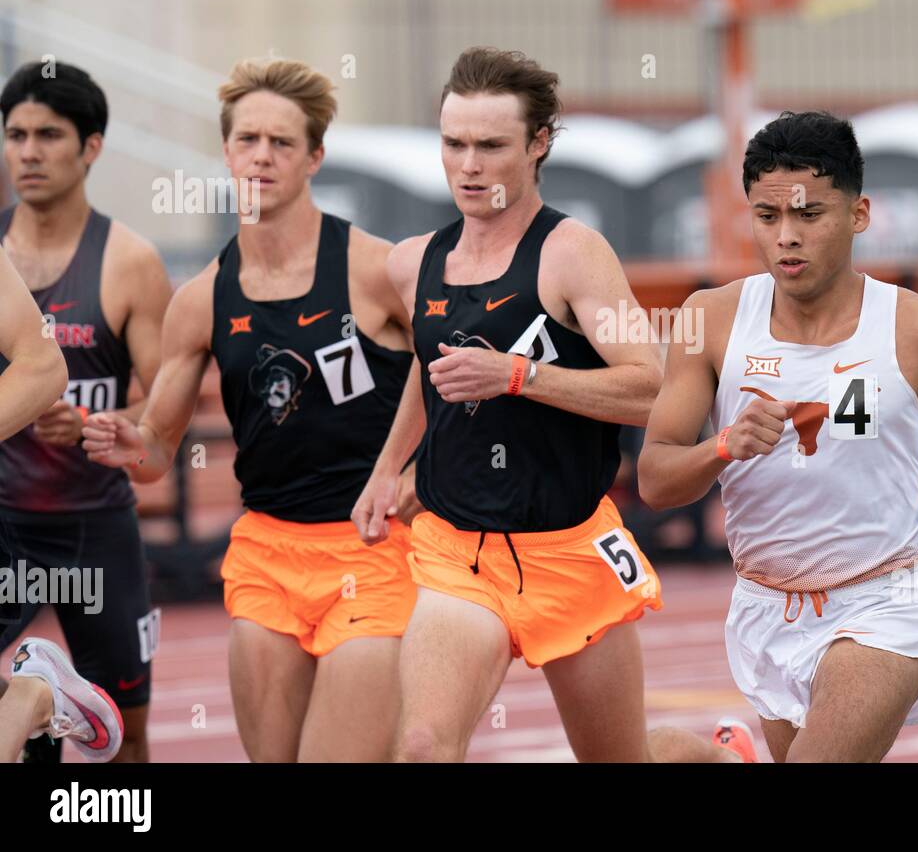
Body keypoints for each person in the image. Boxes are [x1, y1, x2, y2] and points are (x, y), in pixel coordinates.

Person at [637, 111, 918, 762]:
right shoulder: (711, 320)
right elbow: (656, 480)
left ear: (859, 214)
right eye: (767, 217)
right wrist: (722, 444)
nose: (787, 238)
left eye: (810, 215)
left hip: (883, 599)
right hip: (764, 604)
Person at [351, 46, 684, 763]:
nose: (468, 166)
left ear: (538, 145)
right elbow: (427, 368)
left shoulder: (574, 253)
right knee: (420, 746)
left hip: (569, 549)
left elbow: (650, 385)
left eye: (491, 146)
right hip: (459, 551)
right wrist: (388, 469)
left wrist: (520, 376)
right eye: (453, 144)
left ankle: (715, 754)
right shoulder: (413, 261)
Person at [83, 58, 416, 762]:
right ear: (227, 151)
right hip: (267, 555)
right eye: (248, 140)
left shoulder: (376, 269)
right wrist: (123, 442)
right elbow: (155, 454)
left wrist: (416, 471)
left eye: (282, 143)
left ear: (314, 157)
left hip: (374, 553)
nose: (262, 156)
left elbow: (452, 375)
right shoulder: (202, 298)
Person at [0, 62, 170, 763]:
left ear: (91, 147)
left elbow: (163, 427)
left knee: (123, 735)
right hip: (5, 524)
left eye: (48, 135)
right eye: (14, 135)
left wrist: (97, 425)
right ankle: (34, 702)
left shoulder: (129, 263)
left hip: (94, 531)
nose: (28, 152)